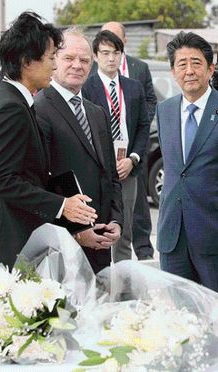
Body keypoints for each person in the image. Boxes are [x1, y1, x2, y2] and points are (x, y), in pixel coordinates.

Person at [0, 12, 97, 272]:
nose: (55, 66)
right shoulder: (11, 108)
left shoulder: (13, 101)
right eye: (51, 58)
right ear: (26, 61)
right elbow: (2, 180)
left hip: (19, 244)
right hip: (12, 250)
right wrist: (63, 205)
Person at [156, 31, 218, 297]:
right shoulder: (164, 111)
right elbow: (176, 170)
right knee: (179, 321)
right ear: (173, 71)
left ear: (210, 69)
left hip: (216, 235)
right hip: (173, 236)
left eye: (196, 63)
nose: (189, 70)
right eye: (181, 64)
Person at [34, 29, 123, 273]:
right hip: (61, 247)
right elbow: (39, 183)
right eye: (69, 58)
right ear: (54, 61)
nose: (77, 65)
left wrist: (116, 221)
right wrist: (76, 232)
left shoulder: (97, 113)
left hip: (101, 242)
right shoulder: (39, 109)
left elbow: (110, 175)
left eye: (84, 60)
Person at [83, 30, 150, 263]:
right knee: (99, 228)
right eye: (105, 53)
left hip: (127, 169)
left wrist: (132, 158)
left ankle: (123, 289)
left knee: (124, 232)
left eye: (116, 53)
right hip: (99, 169)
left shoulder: (133, 88)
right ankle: (100, 285)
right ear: (95, 56)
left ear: (122, 55)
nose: (111, 58)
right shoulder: (86, 88)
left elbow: (143, 126)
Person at [102, 21, 157, 261]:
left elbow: (150, 102)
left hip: (132, 152)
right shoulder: (92, 78)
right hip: (104, 159)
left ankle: (143, 252)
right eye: (105, 42)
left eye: (115, 40)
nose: (111, 53)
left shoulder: (138, 69)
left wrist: (134, 150)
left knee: (137, 209)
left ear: (124, 42)